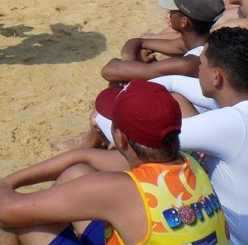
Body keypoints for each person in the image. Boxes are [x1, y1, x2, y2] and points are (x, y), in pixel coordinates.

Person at [0, 79, 230, 245]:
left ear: (120, 137)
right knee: (77, 173)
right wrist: (9, 181)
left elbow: (5, 211)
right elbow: (83, 157)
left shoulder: (122, 191)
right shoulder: (190, 164)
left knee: (17, 224)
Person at [96, 27, 248, 245]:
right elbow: (174, 82)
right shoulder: (237, 106)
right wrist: (133, 90)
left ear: (216, 77)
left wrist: (113, 104)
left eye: (201, 65)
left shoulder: (233, 124)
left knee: (155, 151)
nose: (198, 70)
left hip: (231, 240)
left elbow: (147, 135)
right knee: (176, 100)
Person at [100, 0, 224, 85]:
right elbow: (139, 41)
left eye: (173, 10)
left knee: (116, 84)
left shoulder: (188, 63)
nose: (169, 13)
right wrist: (129, 60)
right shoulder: (201, 42)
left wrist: (128, 64)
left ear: (184, 22)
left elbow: (109, 70)